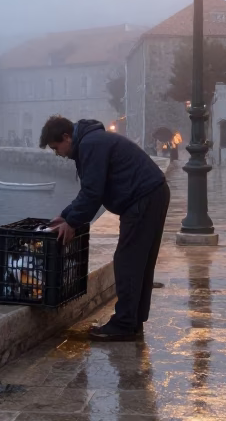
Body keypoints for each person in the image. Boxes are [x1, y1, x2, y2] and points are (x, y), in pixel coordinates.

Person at [41, 115, 170, 341]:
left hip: (142, 198)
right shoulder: (93, 141)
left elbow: (93, 193)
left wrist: (72, 223)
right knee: (140, 262)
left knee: (128, 261)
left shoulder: (91, 145)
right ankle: (132, 321)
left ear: (66, 137)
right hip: (152, 193)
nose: (57, 154)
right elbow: (90, 192)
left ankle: (124, 324)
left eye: (56, 147)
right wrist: (64, 215)